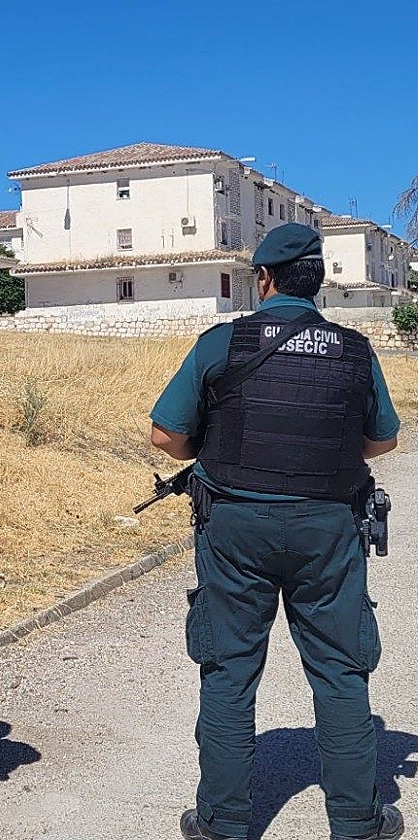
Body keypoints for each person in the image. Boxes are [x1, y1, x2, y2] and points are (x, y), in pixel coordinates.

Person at [149, 223, 403, 840]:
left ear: (263, 279)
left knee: (229, 670)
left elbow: (165, 437)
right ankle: (356, 821)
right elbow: (384, 439)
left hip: (235, 530)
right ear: (316, 280)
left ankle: (224, 822)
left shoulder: (220, 345)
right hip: (328, 529)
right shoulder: (353, 349)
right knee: (341, 672)